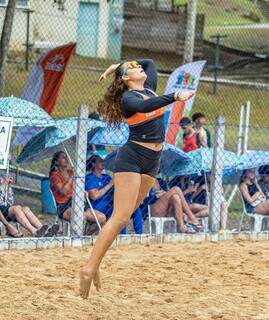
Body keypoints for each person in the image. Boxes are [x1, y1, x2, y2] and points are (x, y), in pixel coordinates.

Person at [79, 58, 194, 298]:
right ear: (126, 80)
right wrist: (174, 96)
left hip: (153, 160)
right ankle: (88, 269)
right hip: (132, 157)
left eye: (136, 66)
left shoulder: (148, 85)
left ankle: (95, 261)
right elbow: (147, 106)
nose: (139, 68)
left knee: (126, 214)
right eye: (133, 69)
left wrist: (117, 65)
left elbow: (151, 62)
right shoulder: (128, 100)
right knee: (120, 216)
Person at [49, 151, 106, 235]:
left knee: (102, 218)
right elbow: (64, 191)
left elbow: (77, 187)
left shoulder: (70, 172)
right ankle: (79, 235)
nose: (66, 159)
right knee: (80, 217)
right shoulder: (55, 175)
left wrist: (83, 191)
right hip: (64, 206)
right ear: (56, 162)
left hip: (77, 202)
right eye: (63, 157)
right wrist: (72, 176)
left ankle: (86, 236)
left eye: (66, 157)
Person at [85, 155, 143, 235]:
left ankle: (139, 235)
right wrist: (110, 184)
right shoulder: (90, 178)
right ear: (93, 164)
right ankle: (121, 236)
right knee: (120, 213)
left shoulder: (107, 177)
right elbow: (95, 196)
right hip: (98, 208)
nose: (103, 162)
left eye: (103, 160)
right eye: (100, 161)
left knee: (135, 209)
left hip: (112, 205)